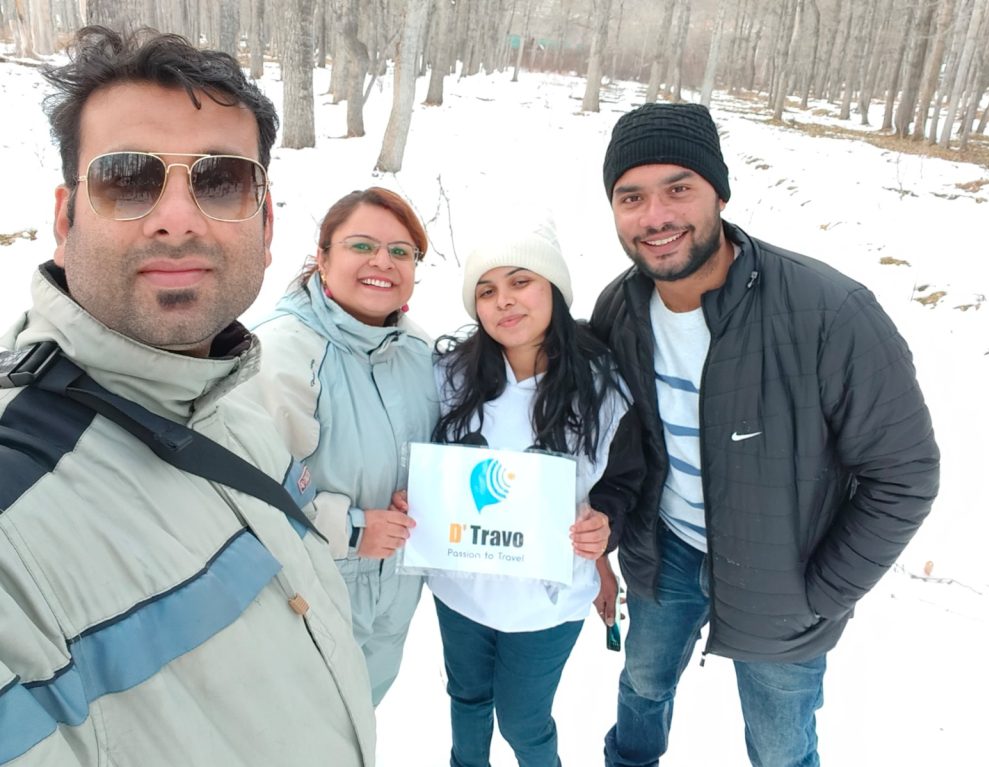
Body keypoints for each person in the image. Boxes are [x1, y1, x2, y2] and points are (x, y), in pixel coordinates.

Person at [0, 27, 374, 765]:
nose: (178, 216)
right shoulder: (16, 509)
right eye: (128, 179)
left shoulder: (237, 404)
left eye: (222, 181)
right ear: (66, 220)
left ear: (266, 225)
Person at [591, 102, 940, 767]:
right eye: (631, 196)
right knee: (642, 685)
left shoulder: (828, 311)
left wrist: (822, 593)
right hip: (664, 556)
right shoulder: (619, 308)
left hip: (785, 581)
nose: (655, 216)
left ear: (720, 193)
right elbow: (610, 443)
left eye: (678, 189)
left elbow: (905, 473)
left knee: (782, 745)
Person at [426, 216, 645, 767]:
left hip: (546, 603)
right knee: (466, 700)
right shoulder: (447, 377)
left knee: (524, 720)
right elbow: (422, 467)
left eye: (521, 281)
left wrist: (605, 526)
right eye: (486, 291)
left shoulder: (604, 389)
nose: (504, 300)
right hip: (460, 589)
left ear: (554, 289)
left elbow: (622, 482)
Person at [237, 187, 438, 706]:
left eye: (401, 251)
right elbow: (244, 493)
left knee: (359, 725)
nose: (383, 262)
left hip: (393, 594)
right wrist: (351, 527)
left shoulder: (418, 351)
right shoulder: (281, 353)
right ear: (323, 258)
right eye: (362, 245)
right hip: (305, 596)